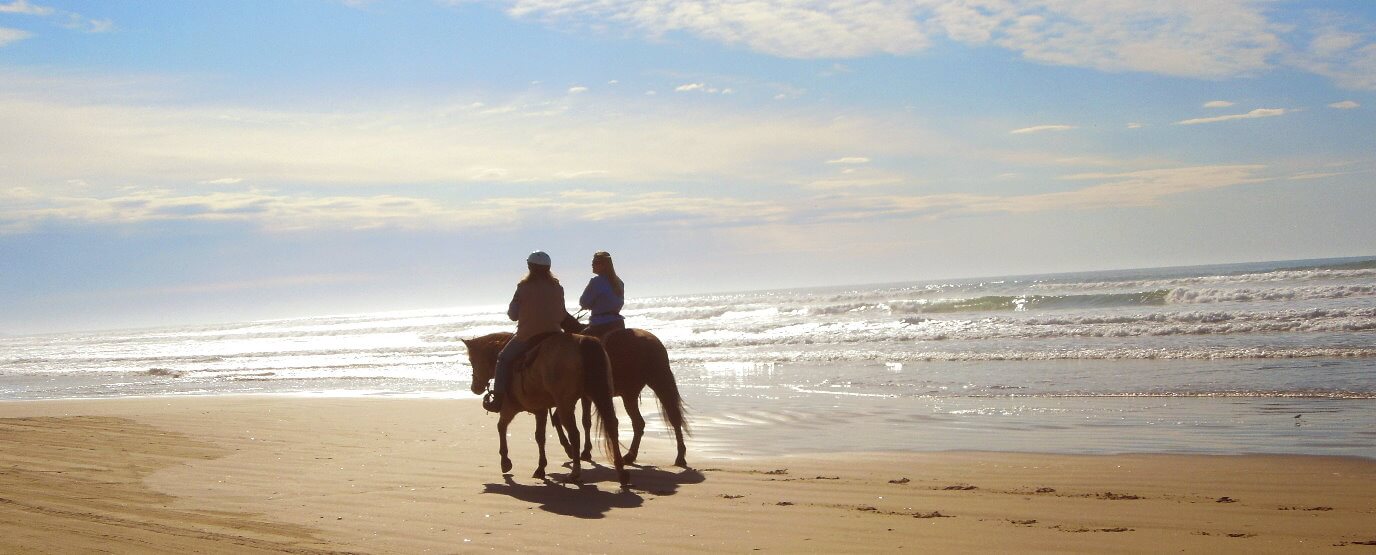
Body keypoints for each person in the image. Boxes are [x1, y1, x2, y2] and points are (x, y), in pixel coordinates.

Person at [486, 250, 567, 413]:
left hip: (529, 335)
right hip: (555, 334)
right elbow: (561, 313)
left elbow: (513, 315)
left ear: (530, 267)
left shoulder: (523, 287)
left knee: (503, 359)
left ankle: (498, 399)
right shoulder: (557, 287)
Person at [578, 251, 626, 338]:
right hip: (618, 323)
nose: (592, 265)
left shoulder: (596, 282)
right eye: (592, 263)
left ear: (604, 265)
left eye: (595, 263)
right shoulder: (619, 282)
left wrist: (588, 305)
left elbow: (584, 302)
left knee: (578, 343)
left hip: (600, 325)